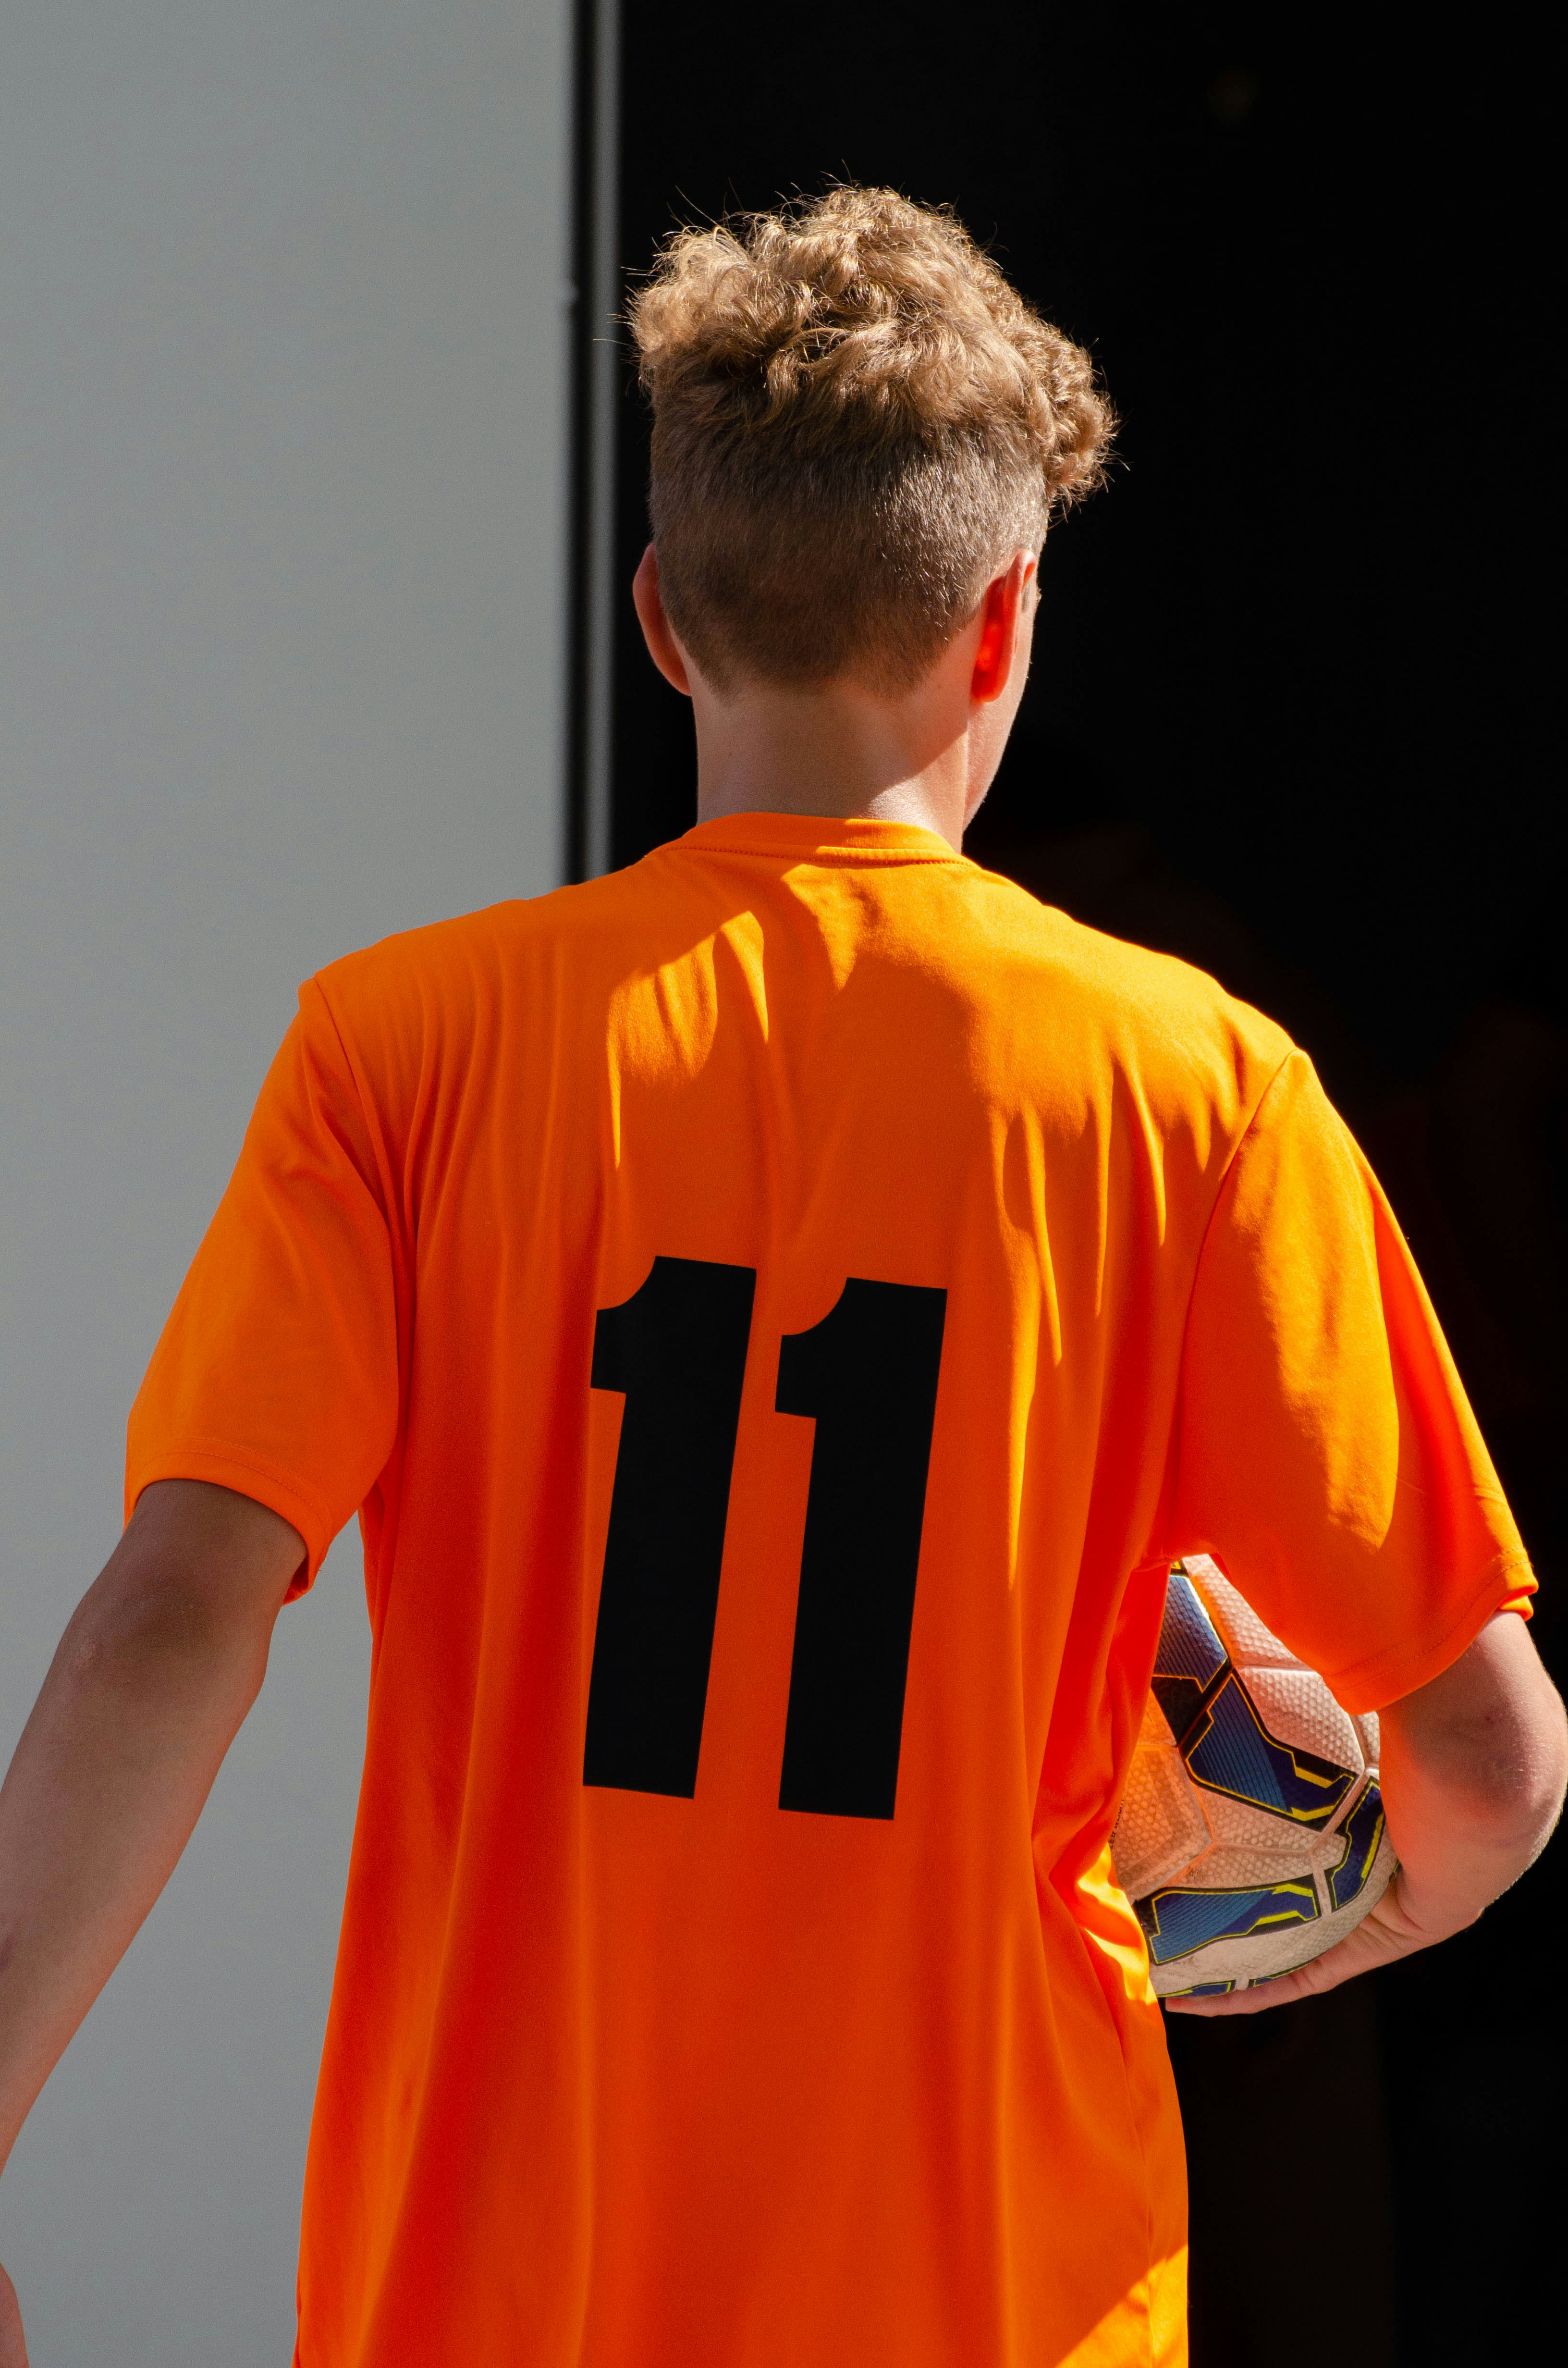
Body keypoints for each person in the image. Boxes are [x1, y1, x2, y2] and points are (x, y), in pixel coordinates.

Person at [0, 187, 1561, 2368]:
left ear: (659, 615)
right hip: (1000, 2299)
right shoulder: (1195, 1086)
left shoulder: (404, 1041)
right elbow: (1490, 1757)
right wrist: (1355, 1908)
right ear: (1008, 625)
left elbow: (177, 1610)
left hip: (493, 2300)